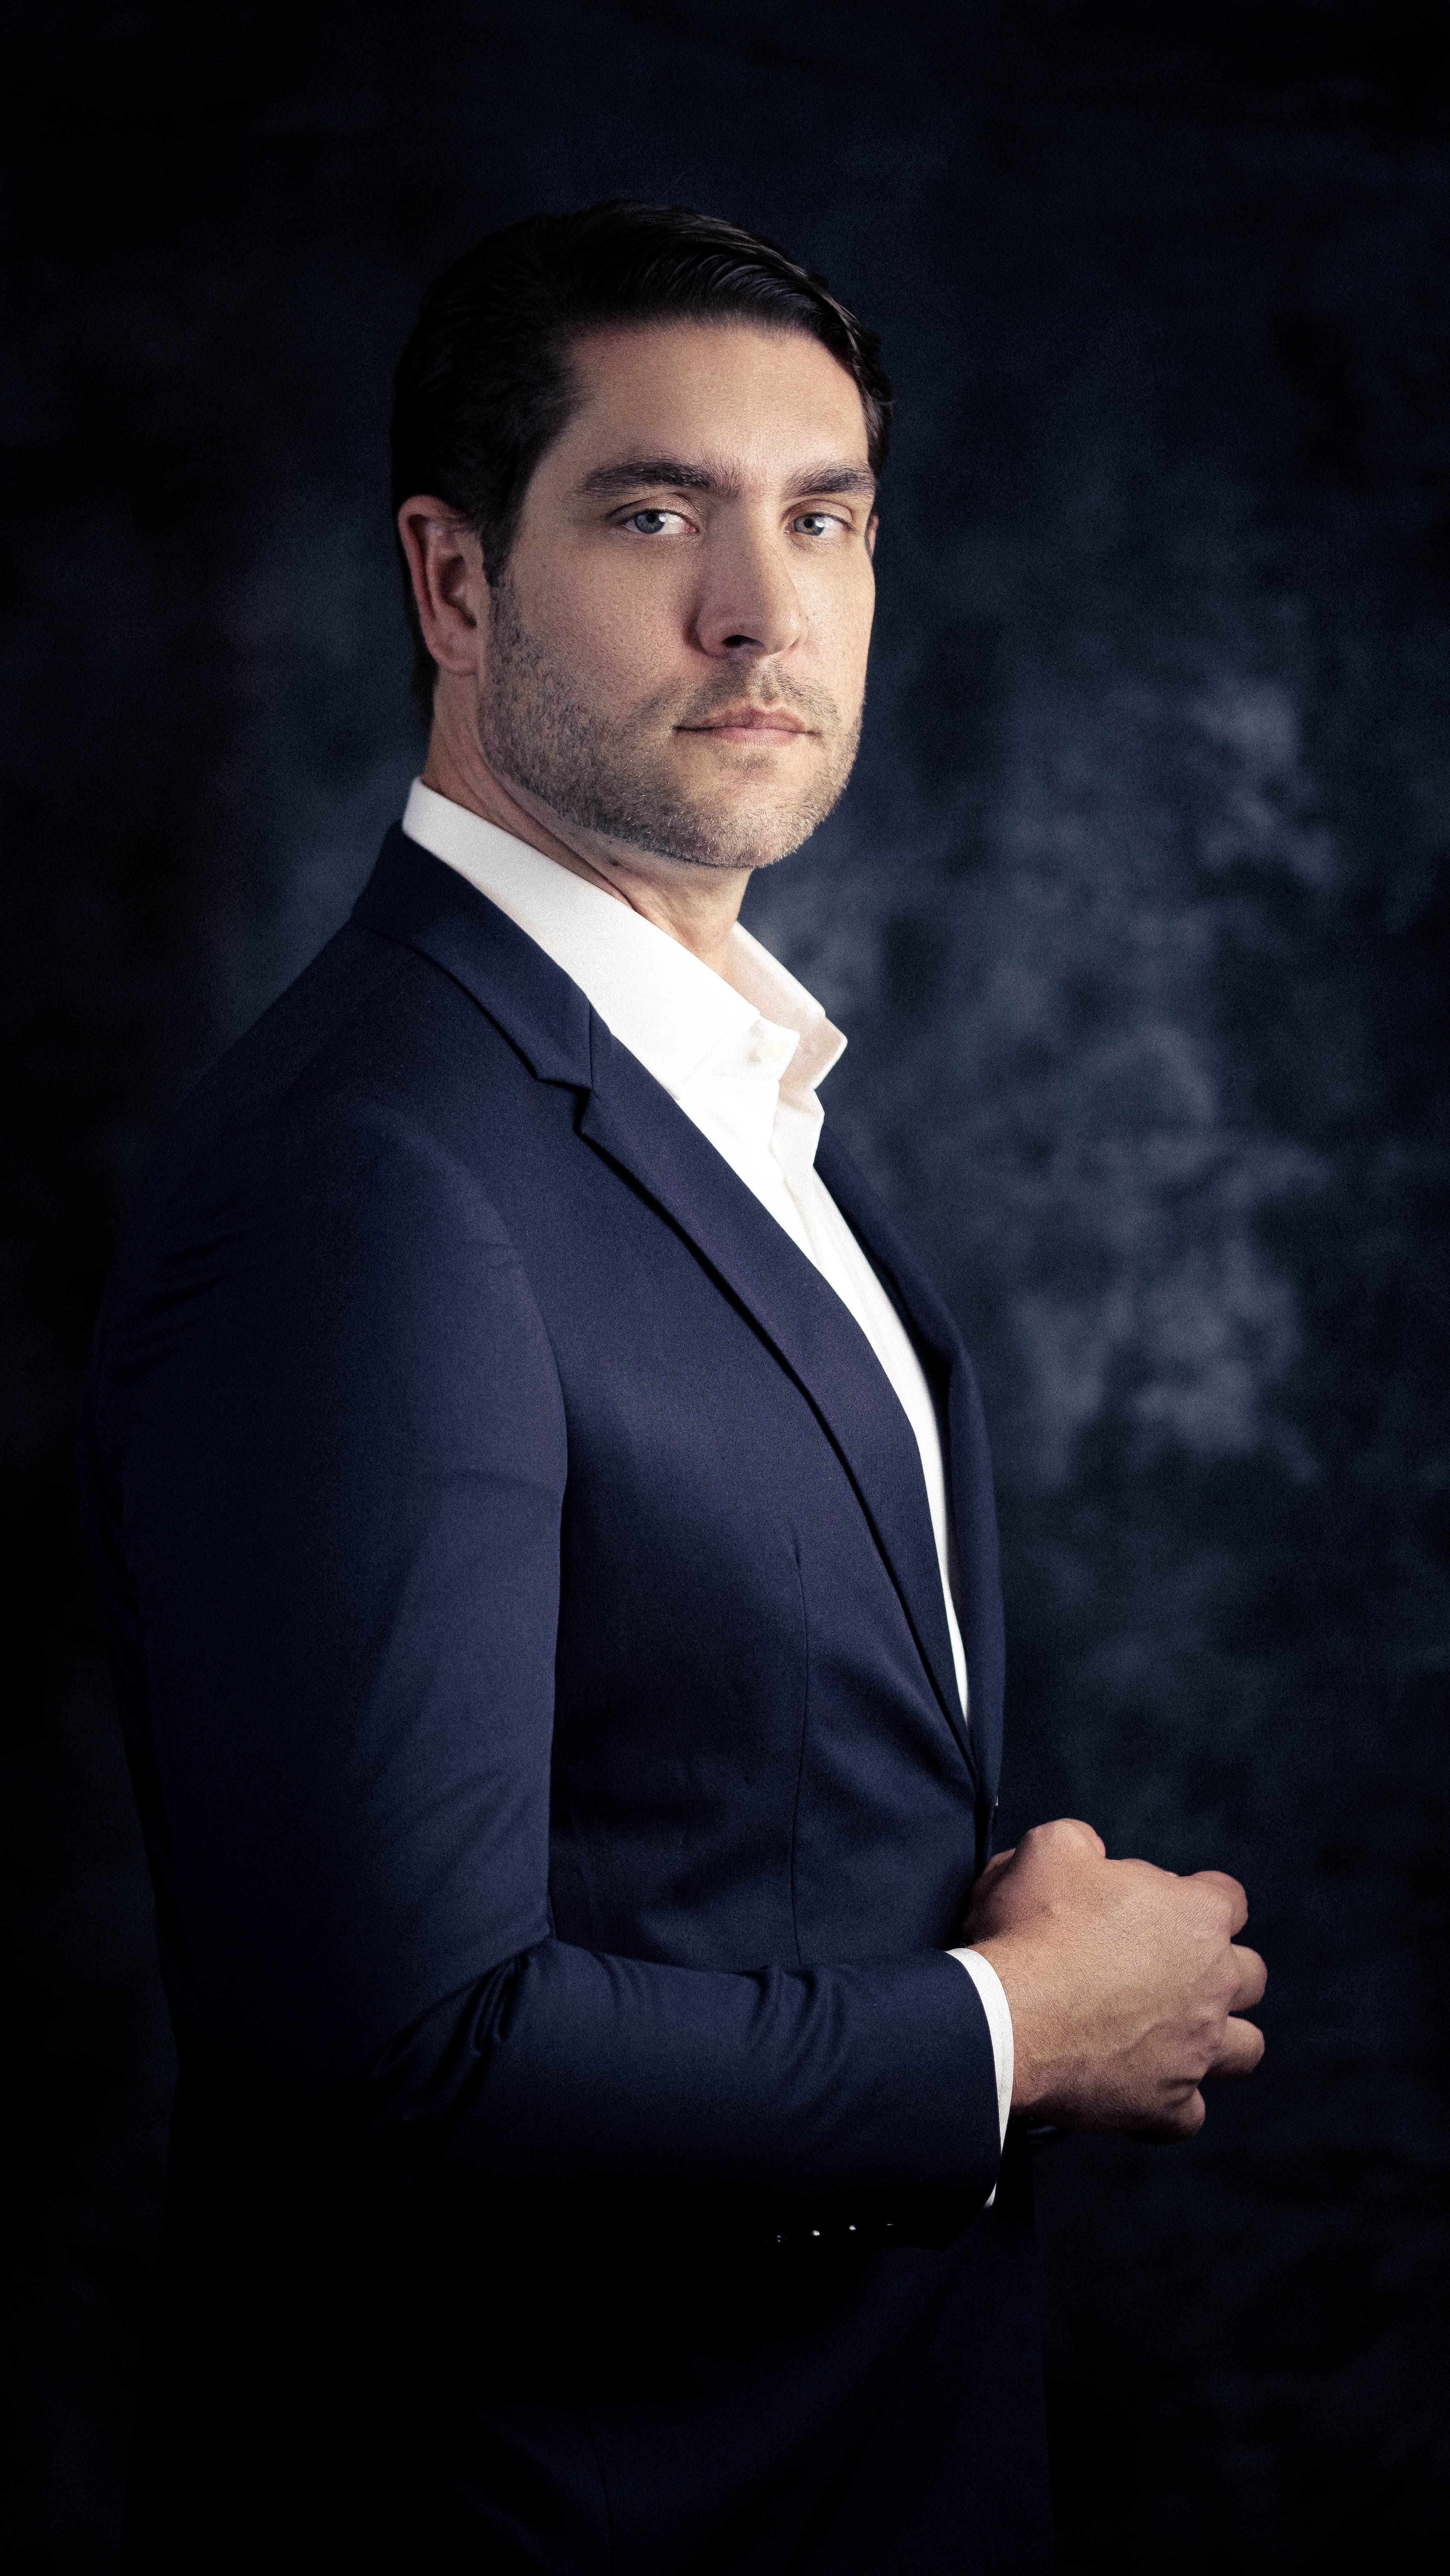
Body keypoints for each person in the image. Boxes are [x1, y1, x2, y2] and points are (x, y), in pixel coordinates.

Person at [79, 201, 1266, 2573]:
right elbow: (404, 2059)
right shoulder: (371, 1175)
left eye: (821, 517)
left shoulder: (715, 1093)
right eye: (653, 515)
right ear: (453, 583)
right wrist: (1015, 2033)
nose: (762, 611)